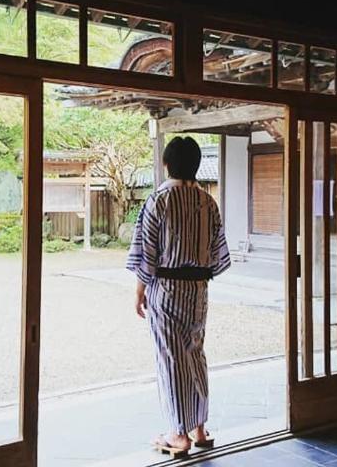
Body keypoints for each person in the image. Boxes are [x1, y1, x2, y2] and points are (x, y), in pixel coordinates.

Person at [126, 136, 231, 458]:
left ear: (166, 164)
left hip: (167, 289)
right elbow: (218, 254)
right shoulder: (207, 201)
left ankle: (179, 434)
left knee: (171, 359)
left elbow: (147, 252)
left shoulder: (159, 200)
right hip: (198, 291)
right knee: (195, 354)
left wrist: (140, 289)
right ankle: (200, 428)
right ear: (197, 165)